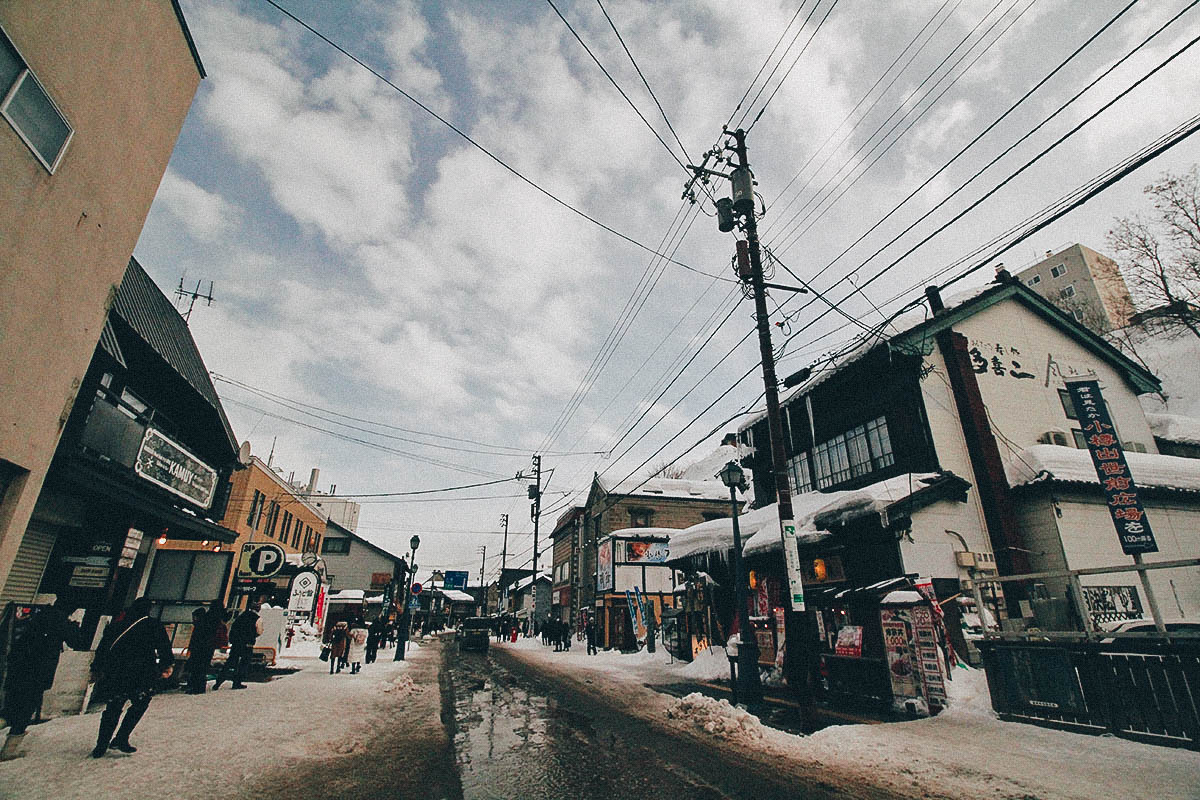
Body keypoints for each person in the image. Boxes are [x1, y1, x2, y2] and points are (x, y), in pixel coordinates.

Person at [1, 595, 85, 761]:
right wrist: (74, 628)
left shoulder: (40, 614)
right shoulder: (61, 622)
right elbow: (78, 643)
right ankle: (8, 750)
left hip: (18, 667)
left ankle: (8, 736)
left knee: (9, 707)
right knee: (25, 709)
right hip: (37, 672)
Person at [89, 597, 173, 758]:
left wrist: (97, 668)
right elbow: (164, 647)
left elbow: (103, 648)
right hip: (142, 673)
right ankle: (121, 737)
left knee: (113, 707)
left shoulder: (117, 625)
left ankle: (101, 745)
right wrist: (165, 665)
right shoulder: (152, 625)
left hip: (117, 672)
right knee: (139, 704)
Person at [213, 601, 261, 690]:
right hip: (248, 644)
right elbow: (259, 631)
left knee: (230, 662)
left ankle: (218, 681)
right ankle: (237, 682)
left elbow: (233, 628)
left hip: (237, 644)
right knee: (243, 664)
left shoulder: (241, 616)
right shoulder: (257, 618)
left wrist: (233, 640)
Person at [184, 605, 219, 694]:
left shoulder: (200, 626)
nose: (193, 619)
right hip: (206, 650)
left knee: (198, 669)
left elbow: (195, 640)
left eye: (194, 617)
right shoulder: (208, 625)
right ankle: (198, 687)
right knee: (201, 670)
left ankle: (197, 687)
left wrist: (191, 649)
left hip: (200, 651)